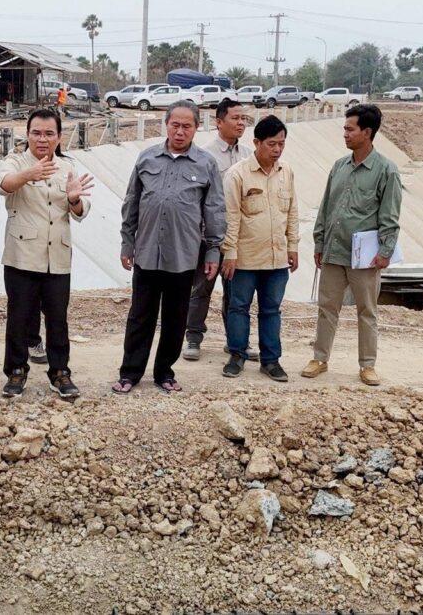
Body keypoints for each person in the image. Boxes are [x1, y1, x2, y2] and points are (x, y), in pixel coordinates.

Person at [113, 100, 225, 395]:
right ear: (166, 125)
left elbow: (214, 211)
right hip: (147, 252)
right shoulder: (147, 158)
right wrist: (127, 242)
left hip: (184, 255)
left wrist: (213, 251)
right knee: (140, 316)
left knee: (175, 318)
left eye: (187, 126)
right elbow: (131, 203)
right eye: (175, 125)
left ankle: (164, 372)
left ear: (197, 128)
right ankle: (130, 372)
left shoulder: (206, 164)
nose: (180, 131)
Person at [0, 109, 94, 399]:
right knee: (19, 316)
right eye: (36, 133)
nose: (42, 139)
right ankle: (16, 370)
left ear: (59, 137)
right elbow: (2, 185)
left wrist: (74, 199)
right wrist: (29, 174)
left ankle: (59, 372)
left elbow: (80, 211)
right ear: (27, 135)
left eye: (49, 133)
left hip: (57, 256)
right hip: (22, 253)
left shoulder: (67, 166)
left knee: (57, 318)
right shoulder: (15, 162)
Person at [301, 104, 402, 387]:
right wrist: (319, 242)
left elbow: (390, 216)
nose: (345, 134)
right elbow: (326, 208)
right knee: (327, 308)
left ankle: (367, 365)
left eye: (350, 129)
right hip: (333, 252)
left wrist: (385, 252)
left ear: (367, 132)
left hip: (365, 259)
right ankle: (319, 359)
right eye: (344, 129)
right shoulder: (339, 167)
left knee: (366, 311)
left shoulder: (386, 171)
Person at [220, 115, 299, 381]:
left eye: (281, 144)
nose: (277, 150)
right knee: (238, 307)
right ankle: (237, 355)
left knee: (271, 309)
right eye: (271, 144)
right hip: (245, 258)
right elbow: (231, 216)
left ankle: (271, 360)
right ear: (256, 143)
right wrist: (229, 253)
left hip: (277, 258)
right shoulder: (237, 174)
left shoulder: (286, 172)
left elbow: (292, 212)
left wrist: (293, 246)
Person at [183, 98, 254, 362]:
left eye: (243, 118)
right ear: (219, 122)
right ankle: (193, 338)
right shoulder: (204, 156)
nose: (241, 123)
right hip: (209, 236)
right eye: (235, 118)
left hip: (239, 237)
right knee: (201, 288)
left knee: (237, 293)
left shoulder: (249, 155)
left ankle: (236, 341)